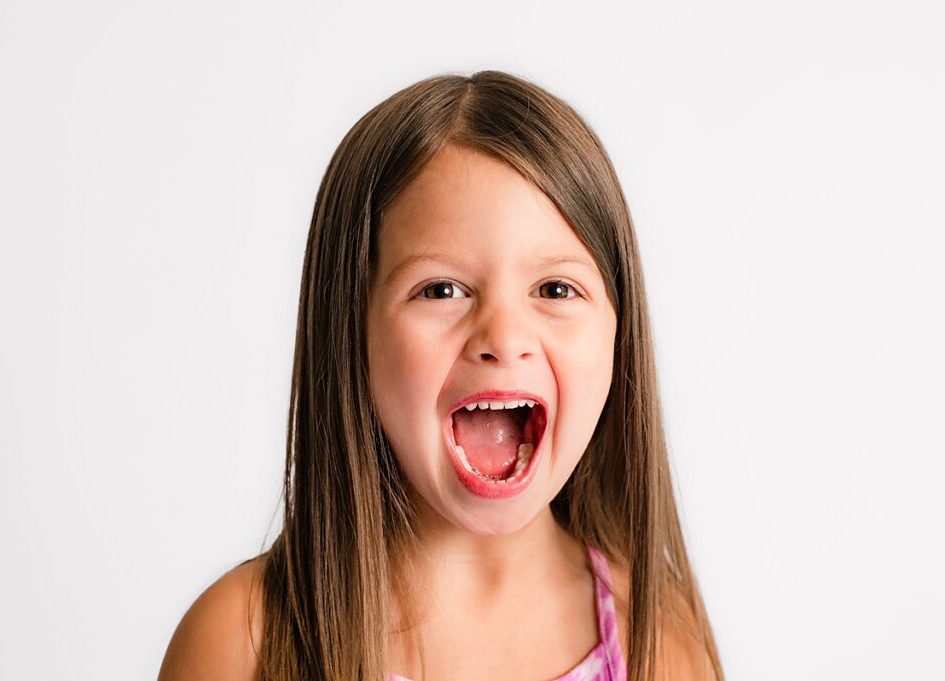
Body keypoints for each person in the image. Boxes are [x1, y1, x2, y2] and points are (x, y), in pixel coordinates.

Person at [158, 70, 723, 681]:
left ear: (620, 334)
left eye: (555, 288)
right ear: (352, 328)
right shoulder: (245, 642)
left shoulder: (659, 641)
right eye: (441, 289)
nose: (504, 338)